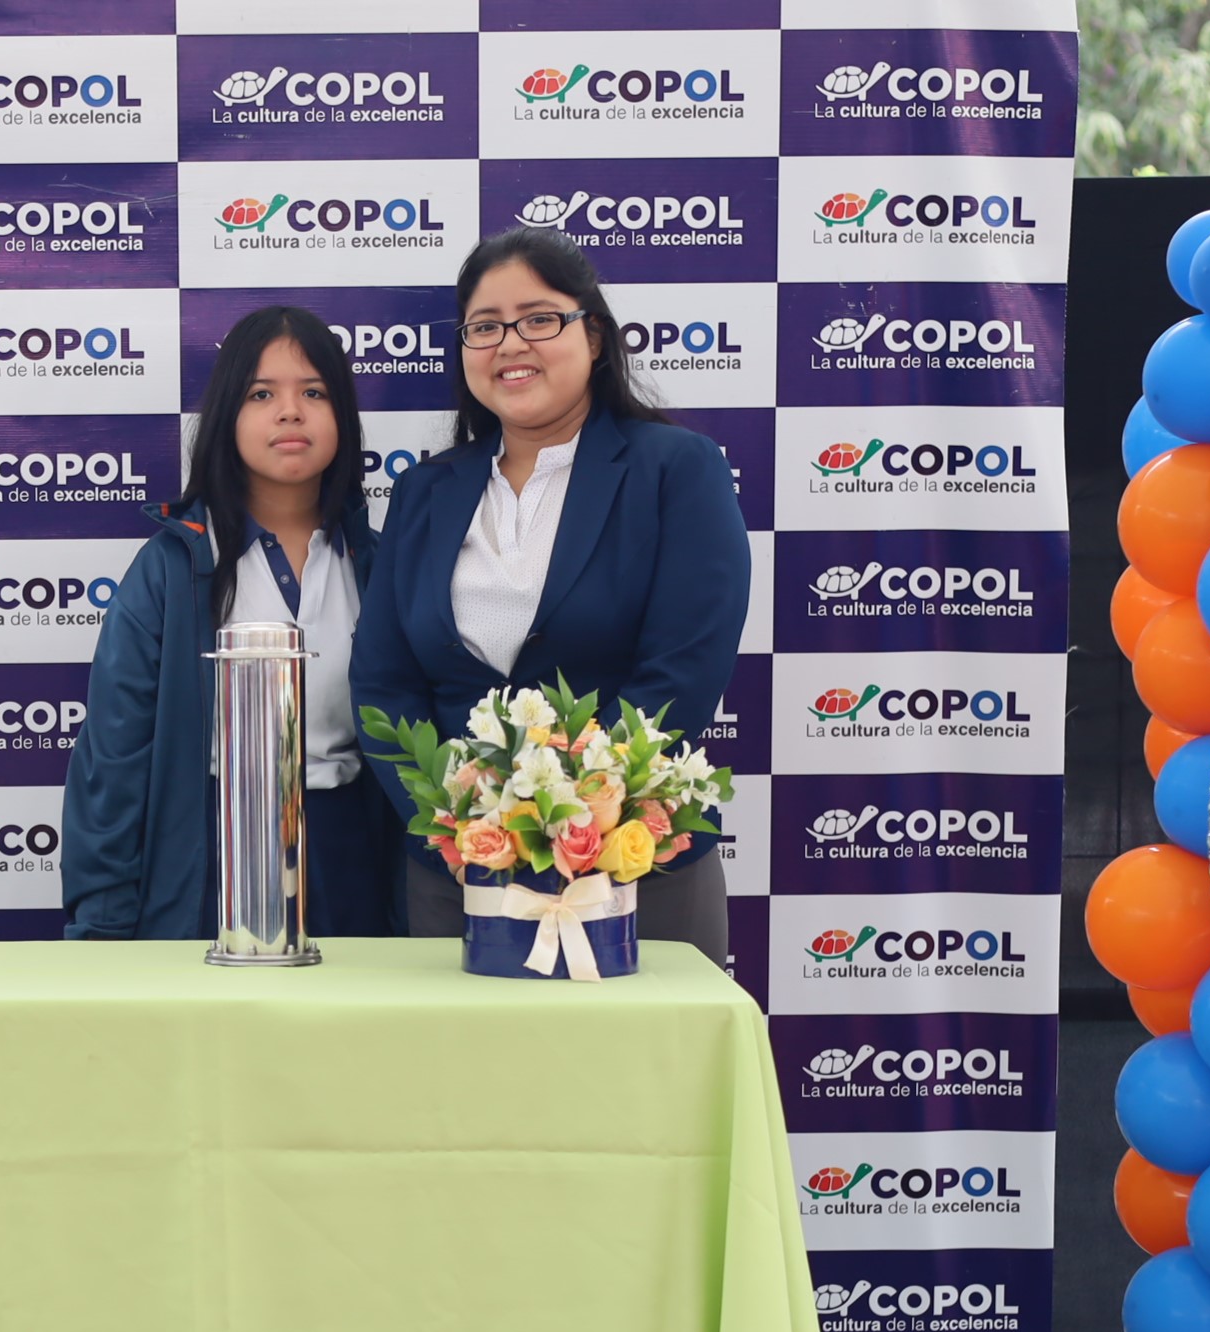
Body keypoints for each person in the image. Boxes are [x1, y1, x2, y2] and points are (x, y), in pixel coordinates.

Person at [349, 228, 749, 963]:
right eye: (485, 327)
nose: (510, 344)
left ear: (592, 336)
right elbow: (383, 683)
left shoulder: (674, 469)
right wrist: (456, 825)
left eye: (538, 319)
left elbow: (682, 674)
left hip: (631, 870)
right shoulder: (424, 492)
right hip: (456, 873)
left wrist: (572, 821)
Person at [63, 306, 396, 940]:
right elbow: (114, 759)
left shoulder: (378, 565)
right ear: (227, 417)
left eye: (314, 392)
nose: (290, 412)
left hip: (348, 859)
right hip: (209, 858)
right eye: (261, 394)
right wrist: (102, 927)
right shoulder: (171, 568)